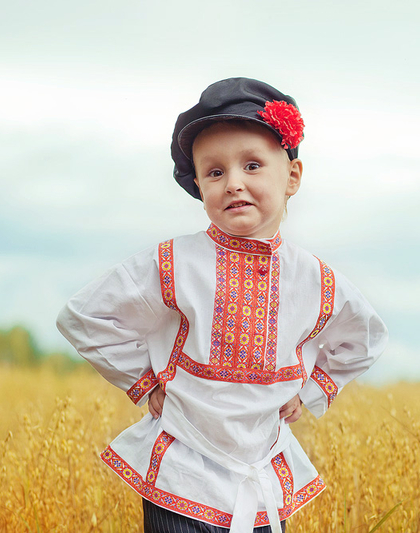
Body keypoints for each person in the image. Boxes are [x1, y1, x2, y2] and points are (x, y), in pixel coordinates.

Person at [56, 77, 388, 533]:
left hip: (262, 472)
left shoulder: (314, 278)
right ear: (198, 185)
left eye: (252, 165)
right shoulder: (174, 261)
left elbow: (365, 337)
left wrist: (310, 391)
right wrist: (146, 382)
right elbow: (85, 317)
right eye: (215, 173)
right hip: (181, 470)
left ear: (292, 176)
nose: (233, 183)